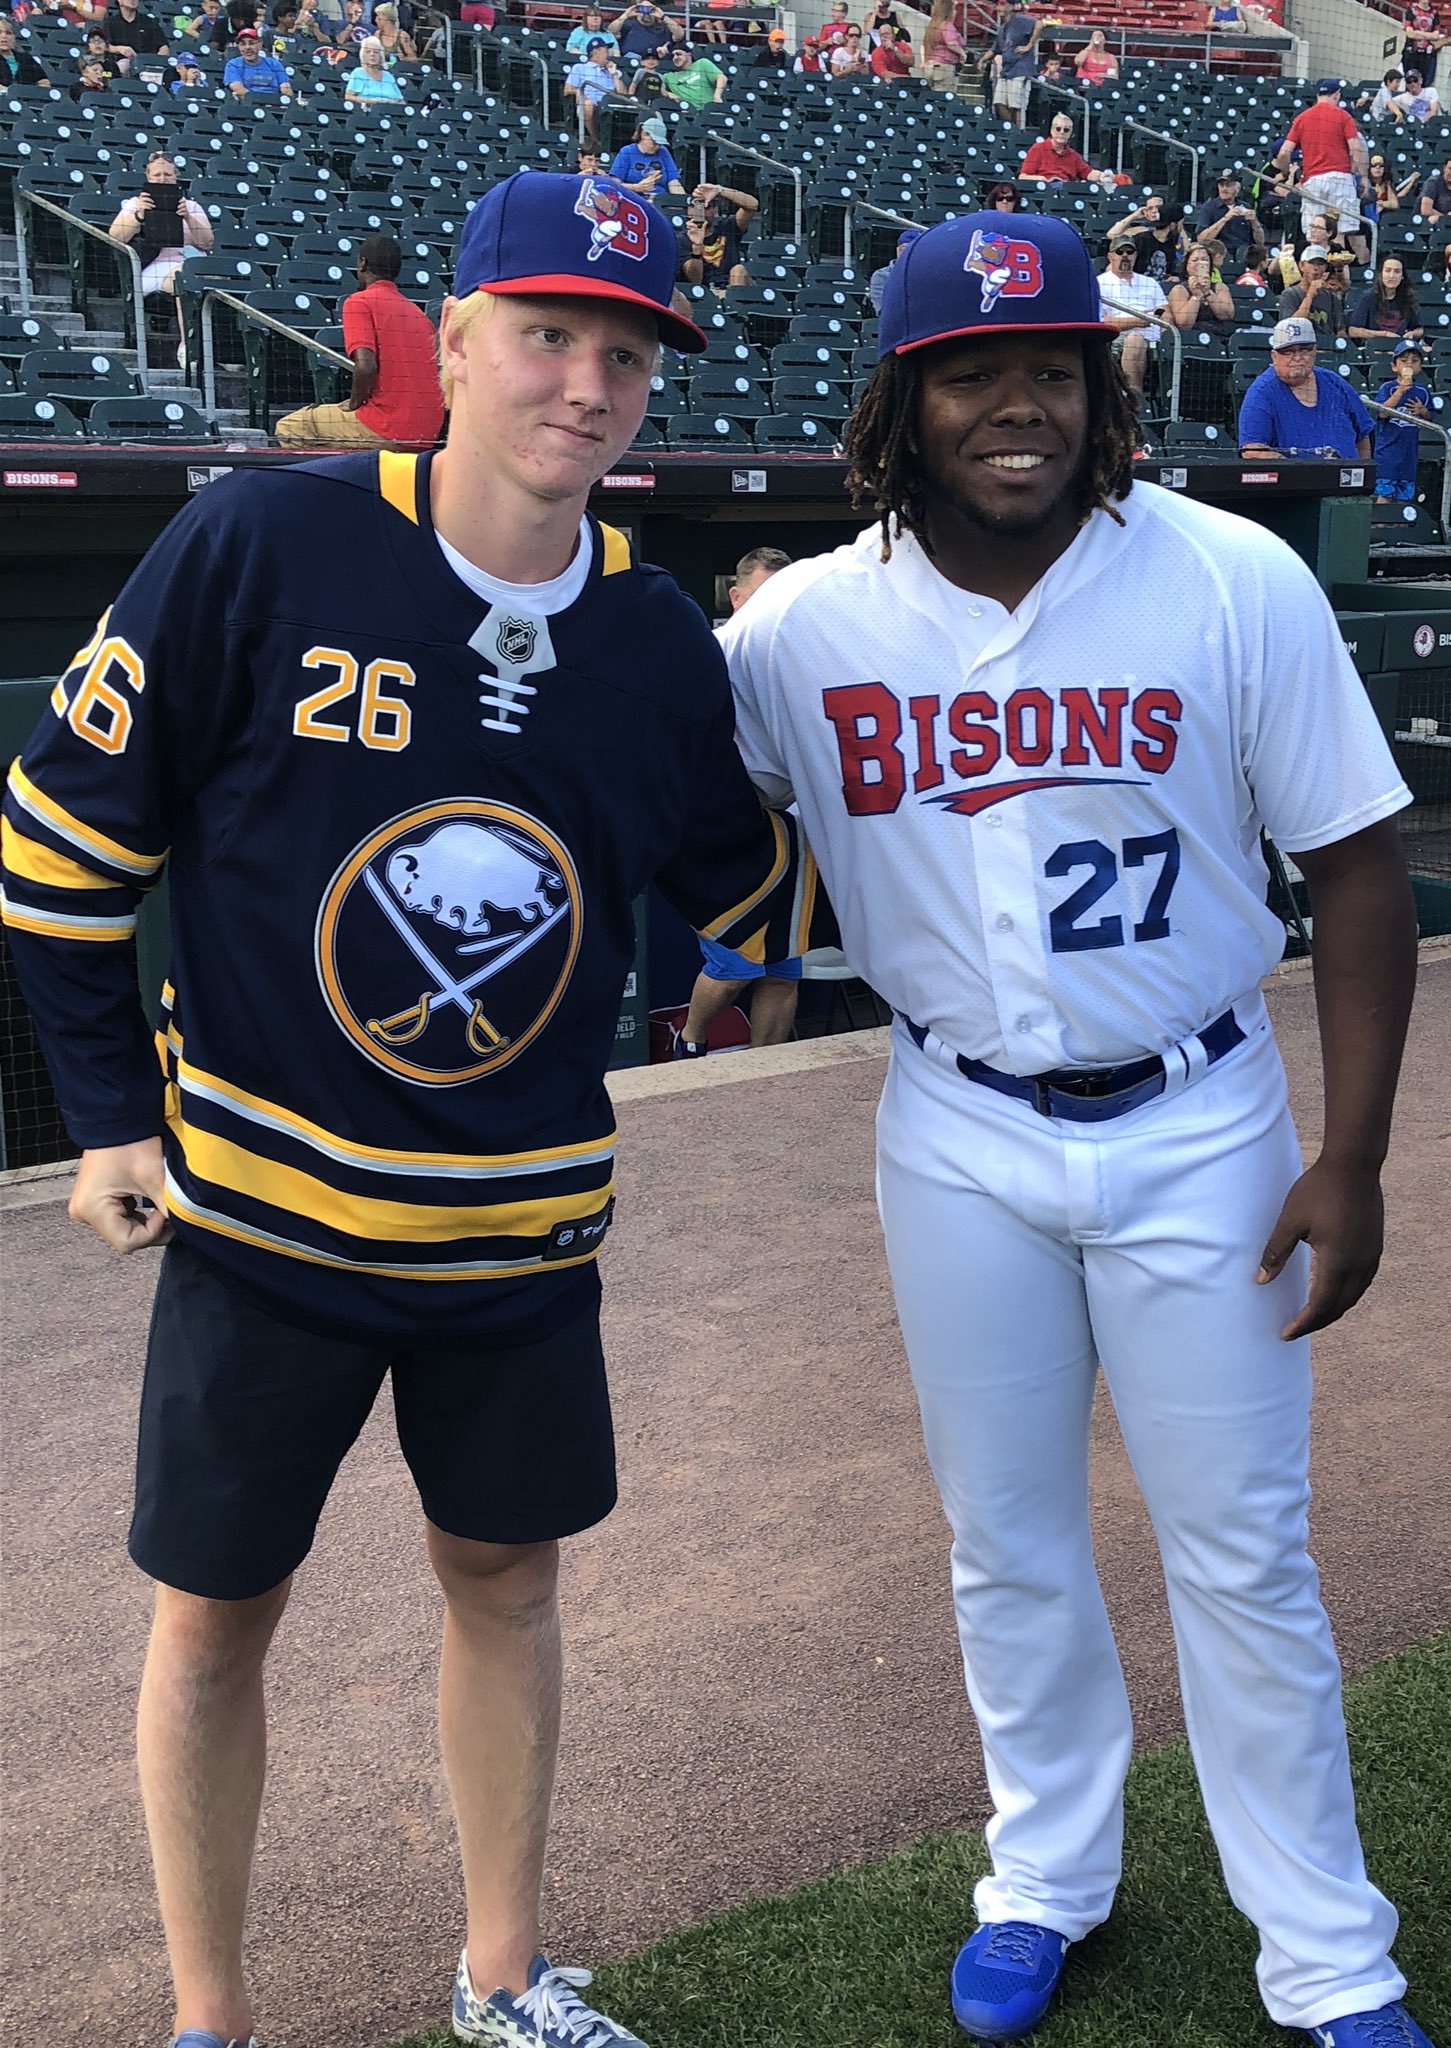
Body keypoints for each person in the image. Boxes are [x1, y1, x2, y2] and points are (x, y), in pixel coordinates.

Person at [1, 166, 814, 2048]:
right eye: (545, 335)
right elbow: (58, 841)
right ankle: (210, 2018)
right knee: (211, 1616)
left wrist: (745, 957)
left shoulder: (652, 633)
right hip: (262, 1225)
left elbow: (726, 856)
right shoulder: (262, 545)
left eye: (624, 352)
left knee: (507, 1584)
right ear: (447, 342)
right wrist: (110, 1112)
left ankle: (505, 1973)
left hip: (520, 1233)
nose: (585, 385)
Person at [719, 204, 1431, 2048]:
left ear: (1102, 387)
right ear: (903, 396)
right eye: (976, 371)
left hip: (1202, 1113)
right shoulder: (800, 629)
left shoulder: (1224, 576)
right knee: (1004, 1534)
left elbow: (1355, 861)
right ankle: (1046, 1871)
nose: (1019, 403)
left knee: (1243, 1543)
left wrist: (1349, 1151)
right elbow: (678, 807)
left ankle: (1328, 1953)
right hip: (955, 1125)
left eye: (1055, 366)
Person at [676, 549, 800, 1057]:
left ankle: (768, 1074)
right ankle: (689, 1043)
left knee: (786, 965)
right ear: (737, 596)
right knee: (736, 962)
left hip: (788, 821)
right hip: (724, 817)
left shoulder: (799, 654)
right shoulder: (716, 650)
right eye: (765, 594)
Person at [274, 235, 439, 446]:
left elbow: (366, 366)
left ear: (363, 263)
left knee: (291, 426)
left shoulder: (359, 302)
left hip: (386, 427)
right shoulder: (418, 314)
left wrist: (354, 404)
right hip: (426, 433)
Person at [108, 151, 214, 365]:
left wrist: (187, 216)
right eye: (157, 175)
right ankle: (188, 348)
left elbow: (206, 242)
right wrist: (140, 215)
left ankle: (223, 351)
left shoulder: (191, 206)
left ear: (176, 177)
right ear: (148, 177)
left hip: (194, 264)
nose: (163, 179)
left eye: (167, 174)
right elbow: (115, 236)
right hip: (156, 269)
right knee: (182, 276)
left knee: (208, 280)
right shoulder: (135, 203)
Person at [1238, 314, 1373, 457]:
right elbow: (1252, 450)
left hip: (1344, 476)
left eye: (1304, 350)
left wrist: (1362, 471)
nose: (1297, 358)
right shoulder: (1261, 392)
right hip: (1293, 478)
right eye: (1288, 352)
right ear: (1274, 355)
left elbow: (1363, 434)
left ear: (1315, 351)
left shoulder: (1335, 382)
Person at [1274, 79, 1368, 267]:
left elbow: (1284, 152)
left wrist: (1285, 172)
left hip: (1313, 180)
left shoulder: (1302, 118)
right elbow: (1356, 148)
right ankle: (1337, 277)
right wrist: (1364, 176)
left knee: (1314, 233)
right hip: (1341, 177)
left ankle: (1313, 272)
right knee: (1340, 232)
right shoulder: (1342, 116)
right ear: (1337, 95)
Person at [1098, 233, 1166, 404]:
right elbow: (1102, 321)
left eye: (1130, 251)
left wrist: (1156, 322)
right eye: (1120, 252)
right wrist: (1139, 320)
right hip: (1116, 338)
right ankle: (1135, 398)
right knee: (1135, 339)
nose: (1125, 255)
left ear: (1136, 255)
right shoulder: (1099, 283)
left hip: (1155, 337)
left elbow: (1167, 314)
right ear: (1110, 256)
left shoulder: (1149, 282)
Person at [1370, 339, 1429, 504]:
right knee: (1385, 494)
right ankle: (1380, 527)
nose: (1409, 365)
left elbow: (1430, 415)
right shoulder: (1387, 388)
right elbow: (1382, 413)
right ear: (1394, 366)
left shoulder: (1422, 391)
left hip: (1409, 453)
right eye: (1404, 361)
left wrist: (1423, 411)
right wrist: (1402, 389)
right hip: (1388, 452)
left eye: (1415, 361)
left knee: (1404, 496)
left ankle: (1399, 527)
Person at [678, 180, 756, 291]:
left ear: (715, 210)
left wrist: (720, 190)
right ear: (688, 210)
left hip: (732, 290)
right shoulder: (681, 240)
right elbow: (695, 280)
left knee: (738, 270)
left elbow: (752, 205)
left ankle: (735, 305)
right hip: (703, 293)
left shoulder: (728, 226)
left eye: (707, 206)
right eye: (696, 206)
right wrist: (697, 246)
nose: (702, 211)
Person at [1105, 190, 1187, 283]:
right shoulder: (1139, 236)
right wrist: (1134, 216)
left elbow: (1186, 251)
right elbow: (1112, 235)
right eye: (1150, 208)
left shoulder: (1174, 239)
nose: (1155, 211)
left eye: (1158, 207)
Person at [564, 35, 630, 144]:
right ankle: (597, 140)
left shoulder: (610, 71)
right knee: (588, 104)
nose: (608, 54)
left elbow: (623, 95)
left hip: (609, 107)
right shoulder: (580, 68)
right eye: (605, 50)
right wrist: (578, 92)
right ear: (596, 52)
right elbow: (567, 89)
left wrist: (614, 74)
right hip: (589, 105)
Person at [1018, 113, 1112, 189]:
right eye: (1058, 129)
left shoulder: (1073, 155)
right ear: (1051, 130)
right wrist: (1043, 179)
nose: (1062, 132)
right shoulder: (1037, 149)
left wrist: (1102, 175)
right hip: (1044, 189)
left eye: (1066, 130)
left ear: (1070, 134)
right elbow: (1023, 177)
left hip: (1065, 189)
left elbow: (1088, 173)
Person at [1194, 169, 1264, 269]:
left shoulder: (1245, 206)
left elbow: (1260, 242)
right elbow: (1201, 239)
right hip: (1220, 256)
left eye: (1228, 185)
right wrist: (1225, 218)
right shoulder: (1209, 207)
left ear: (1237, 188)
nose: (1224, 189)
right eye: (1221, 185)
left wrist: (1254, 222)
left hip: (1244, 256)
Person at [987, 0, 1041, 127]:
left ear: (1011, 7)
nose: (998, 7)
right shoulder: (1003, 28)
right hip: (1006, 71)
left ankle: (1019, 133)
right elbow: (995, 49)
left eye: (1002, 4)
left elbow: (1039, 24)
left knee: (1016, 106)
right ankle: (1010, 130)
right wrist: (982, 61)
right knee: (999, 103)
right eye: (998, 5)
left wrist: (1029, 45)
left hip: (1020, 69)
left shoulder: (1020, 19)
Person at [1276, 243, 1347, 336]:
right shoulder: (1290, 294)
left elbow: (1340, 331)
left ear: (1325, 268)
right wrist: (1310, 294)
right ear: (1301, 266)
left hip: (1327, 346)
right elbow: (1290, 327)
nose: (1316, 268)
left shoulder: (1331, 297)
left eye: (1320, 264)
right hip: (1300, 345)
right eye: (1311, 263)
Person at [1164, 241, 1234, 332]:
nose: (1200, 263)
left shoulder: (1220, 287)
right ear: (1187, 265)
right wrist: (1196, 297)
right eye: (1195, 260)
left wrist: (1208, 293)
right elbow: (1184, 324)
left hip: (1219, 336)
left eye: (1204, 260)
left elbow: (1228, 315)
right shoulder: (1179, 290)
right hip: (1191, 338)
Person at [1346, 256, 1421, 339]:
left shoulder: (1408, 298)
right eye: (1388, 271)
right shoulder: (1367, 297)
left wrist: (1413, 334)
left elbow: (1419, 328)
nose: (1392, 276)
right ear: (1381, 274)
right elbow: (1352, 331)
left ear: (1402, 276)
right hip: (1374, 346)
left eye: (1397, 271)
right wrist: (1384, 334)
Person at [609, 115, 683, 197]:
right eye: (654, 142)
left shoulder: (663, 151)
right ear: (643, 135)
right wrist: (636, 187)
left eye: (659, 144)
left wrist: (683, 201)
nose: (657, 147)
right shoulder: (627, 151)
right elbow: (614, 183)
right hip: (634, 198)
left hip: (660, 200)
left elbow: (673, 182)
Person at [867, 223, 923, 314]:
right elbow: (882, 310)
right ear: (898, 250)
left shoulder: (927, 273)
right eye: (904, 249)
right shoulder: (881, 275)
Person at [222, 20, 290, 90]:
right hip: (247, 99)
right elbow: (237, 89)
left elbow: (285, 87)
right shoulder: (233, 65)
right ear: (238, 46)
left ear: (260, 44)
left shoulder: (274, 64)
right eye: (243, 44)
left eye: (251, 43)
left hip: (273, 100)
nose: (247, 47)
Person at [662, 40, 724, 107]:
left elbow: (721, 77)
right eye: (672, 56)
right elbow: (653, 81)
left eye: (678, 54)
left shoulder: (702, 63)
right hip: (688, 112)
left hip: (709, 109)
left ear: (689, 55)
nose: (675, 58)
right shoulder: (669, 77)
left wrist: (717, 95)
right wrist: (667, 93)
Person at [611, 0, 678, 60]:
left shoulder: (661, 27)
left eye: (650, 9)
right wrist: (626, 14)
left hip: (655, 63)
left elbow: (679, 35)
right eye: (642, 9)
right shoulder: (629, 23)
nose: (646, 13)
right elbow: (611, 31)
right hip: (630, 63)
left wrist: (663, 16)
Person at [923, 0, 965, 90]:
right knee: (944, 98)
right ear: (948, 11)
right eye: (954, 9)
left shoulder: (932, 26)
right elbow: (951, 43)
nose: (956, 12)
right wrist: (962, 53)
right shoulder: (947, 25)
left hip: (931, 65)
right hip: (944, 67)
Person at [344, 32, 402, 98]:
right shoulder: (358, 73)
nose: (372, 54)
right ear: (363, 55)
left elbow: (400, 101)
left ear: (380, 56)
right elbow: (349, 97)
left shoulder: (388, 76)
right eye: (368, 52)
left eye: (376, 52)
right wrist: (373, 102)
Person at [102, 0, 167, 57]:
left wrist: (157, 59)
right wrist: (120, 49)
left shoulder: (149, 22)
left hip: (147, 63)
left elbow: (163, 47)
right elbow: (106, 46)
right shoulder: (110, 22)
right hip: (122, 60)